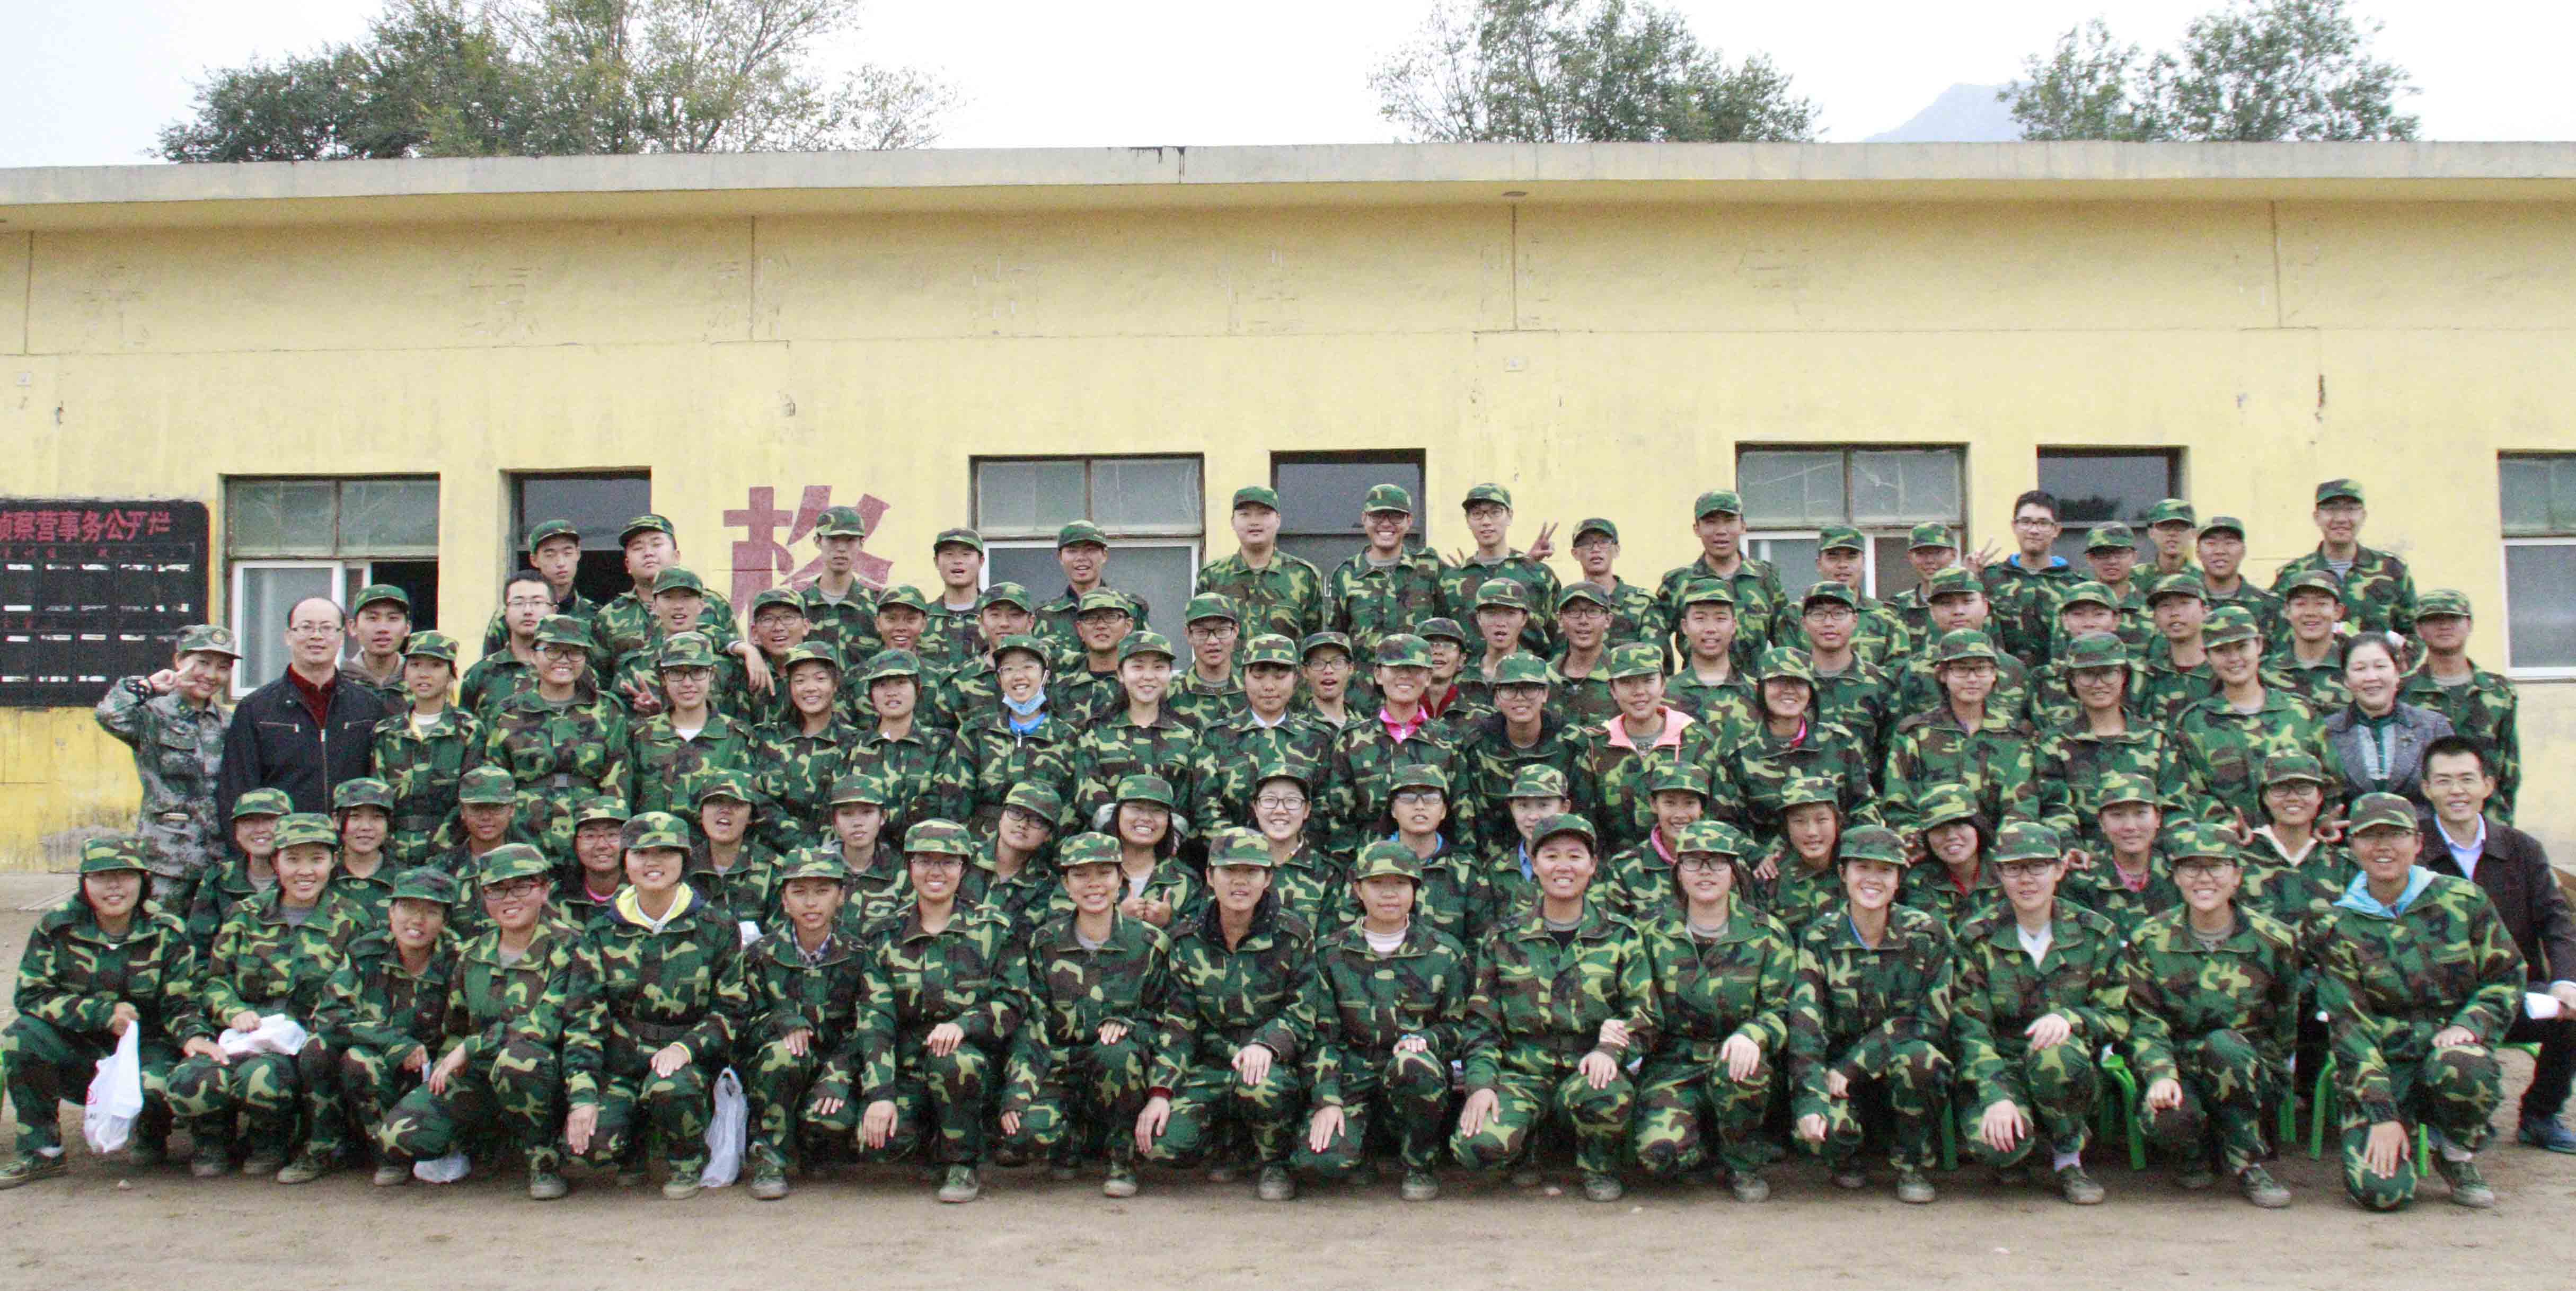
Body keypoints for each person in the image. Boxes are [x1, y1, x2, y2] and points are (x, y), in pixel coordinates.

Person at [2314, 792, 2523, 1211]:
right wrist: (2382, 1114)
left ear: (2418, 842)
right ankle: (2398, 1133)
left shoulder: (2463, 901)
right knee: (2382, 1194)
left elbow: (2507, 975)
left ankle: (2456, 1154)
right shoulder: (2337, 924)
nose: (2383, 847)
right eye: (2370, 836)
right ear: (2352, 846)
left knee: (2465, 1064)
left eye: (2395, 835)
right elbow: (2350, 1028)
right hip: (2385, 1066)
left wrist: (2470, 1025)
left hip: (2447, 1053)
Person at [1451, 813, 1654, 1202]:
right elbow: (1481, 1023)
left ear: (1593, 866)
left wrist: (1610, 1050)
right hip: (1521, 1071)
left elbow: (1643, 1014)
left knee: (1605, 1092)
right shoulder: (1504, 938)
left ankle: (1598, 1165)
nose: (1564, 866)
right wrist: (1481, 1085)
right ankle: (1526, 1147)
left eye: (1575, 856)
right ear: (1534, 862)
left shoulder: (1621, 935)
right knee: (1477, 1148)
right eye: (1551, 856)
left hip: (1587, 1068)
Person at [375, 843, 587, 1200]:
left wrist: (471, 1047)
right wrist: (445, 1072)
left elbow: (548, 1022)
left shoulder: (570, 947)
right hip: (480, 1075)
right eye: (496, 890)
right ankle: (478, 1141)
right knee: (399, 1136)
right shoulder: (474, 953)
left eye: (522, 887)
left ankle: (543, 1159)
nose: (510, 899)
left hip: (544, 1077)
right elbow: (455, 1029)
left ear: (544, 890)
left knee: (518, 1061)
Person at [167, 812, 370, 1183]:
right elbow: (214, 980)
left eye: (317, 859)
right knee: (190, 1079)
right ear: (275, 862)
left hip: (305, 1041)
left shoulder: (353, 920)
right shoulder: (245, 915)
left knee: (262, 1078)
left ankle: (270, 1141)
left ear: (333, 862)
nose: (305, 872)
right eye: (292, 860)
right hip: (242, 1033)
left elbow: (359, 990)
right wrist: (232, 1010)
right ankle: (212, 1141)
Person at [562, 811, 748, 1200]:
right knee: (591, 1147)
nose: (653, 863)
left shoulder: (716, 926)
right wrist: (582, 1098)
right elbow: (583, 1019)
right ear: (625, 860)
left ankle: (687, 1158)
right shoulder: (601, 931)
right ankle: (633, 1148)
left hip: (688, 1061)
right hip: (623, 1060)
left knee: (669, 1087)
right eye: (641, 853)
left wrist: (686, 1048)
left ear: (684, 860)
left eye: (665, 852)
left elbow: (732, 1010)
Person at [0, 838, 196, 1188]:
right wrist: (102, 1013)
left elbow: (181, 1004)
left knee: (158, 1085)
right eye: (102, 877)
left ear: (144, 881)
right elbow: (31, 995)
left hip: (147, 1049)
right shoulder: (57, 927)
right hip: (80, 1049)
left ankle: (152, 1132)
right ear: (84, 883)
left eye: (125, 876)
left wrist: (195, 1038)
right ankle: (41, 1152)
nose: (114, 886)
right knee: (21, 1038)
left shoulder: (168, 930)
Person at [1950, 821, 2127, 1206]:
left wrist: (2072, 1019)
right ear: (1999, 874)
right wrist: (1996, 1095)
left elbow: (2117, 1017)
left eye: (2038, 867)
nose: (2026, 879)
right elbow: (1970, 1029)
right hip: (2003, 1064)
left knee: (2056, 1055)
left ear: (2060, 869)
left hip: (2067, 1069)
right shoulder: (1977, 937)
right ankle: (2020, 1142)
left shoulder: (2095, 933)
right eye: (2014, 869)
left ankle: (2068, 1158)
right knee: (1999, 1148)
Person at [1137, 827, 1318, 1201]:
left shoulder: (1293, 936)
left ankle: (1275, 1161)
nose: (1240, 881)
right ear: (1209, 876)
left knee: (1261, 1085)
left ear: (1268, 879)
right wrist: (1161, 1091)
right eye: (1229, 871)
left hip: (1270, 1065)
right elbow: (1179, 1025)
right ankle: (1228, 1141)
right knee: (1161, 1145)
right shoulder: (1187, 940)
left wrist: (1267, 1044)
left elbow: (1303, 1010)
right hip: (1214, 1064)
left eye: (1251, 872)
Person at [2415, 736, 2576, 1153]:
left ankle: (2540, 1115)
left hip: (2511, 997)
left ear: (2487, 785)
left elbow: (2557, 920)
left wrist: (2565, 981)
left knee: (2571, 1010)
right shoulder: (2412, 850)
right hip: (2438, 1003)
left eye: (2467, 779)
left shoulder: (2523, 849)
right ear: (2427, 788)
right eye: (2444, 781)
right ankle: (2447, 1116)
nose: (2457, 791)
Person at [996, 832, 1171, 1198]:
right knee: (1025, 1132)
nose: (1093, 885)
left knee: (1117, 1053)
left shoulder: (1149, 944)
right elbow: (1032, 1025)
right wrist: (1019, 1091)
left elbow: (1166, 1019)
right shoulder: (1045, 944)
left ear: (1121, 879)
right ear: (1065, 884)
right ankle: (1071, 1138)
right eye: (1080, 875)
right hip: (1060, 1067)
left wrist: (1131, 1027)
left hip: (1120, 1073)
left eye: (1104, 873)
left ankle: (1121, 1157)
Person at [2125, 842, 2299, 1207]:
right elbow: (2145, 1020)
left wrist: (2273, 1078)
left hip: (2245, 1064)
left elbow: (2284, 1020)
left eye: (2216, 867)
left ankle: (2248, 1162)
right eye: (2191, 868)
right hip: (2179, 1063)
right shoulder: (2150, 939)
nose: (2204, 878)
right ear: (2176, 878)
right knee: (2168, 1120)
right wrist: (2160, 1074)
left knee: (2225, 1047)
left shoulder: (2274, 940)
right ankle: (2195, 1152)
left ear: (2237, 876)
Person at [1295, 841, 1471, 1200]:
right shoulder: (1330, 952)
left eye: (1400, 884)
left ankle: (1419, 1163)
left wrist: (1428, 1040)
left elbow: (1461, 1027)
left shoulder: (1445, 952)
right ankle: (1361, 1151)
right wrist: (1328, 1099)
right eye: (1377, 884)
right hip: (1352, 1071)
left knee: (1414, 1066)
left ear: (1415, 890)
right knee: (1319, 1164)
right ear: (1358, 890)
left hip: (1412, 1068)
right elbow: (1322, 1036)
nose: (1389, 894)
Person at [1787, 823, 1954, 1204]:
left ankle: (1913, 1164)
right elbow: (1806, 1025)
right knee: (1822, 1133)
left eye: (1885, 870)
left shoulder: (1927, 935)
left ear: (1898, 880)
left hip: (1894, 1064)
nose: (1873, 879)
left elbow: (1931, 1021)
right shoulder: (1818, 938)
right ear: (1843, 873)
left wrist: (1855, 1065)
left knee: (1921, 1061)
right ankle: (1847, 1154)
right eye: (1862, 868)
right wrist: (1811, 1098)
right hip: (1836, 1074)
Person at [1629, 818, 1794, 1201]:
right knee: (1660, 1158)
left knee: (1744, 1071)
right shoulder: (1651, 933)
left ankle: (1742, 1160)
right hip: (1674, 1062)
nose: (1705, 872)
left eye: (1717, 862)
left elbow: (1783, 1008)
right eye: (1694, 862)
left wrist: (1753, 1035)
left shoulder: (1767, 933)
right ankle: (1700, 1143)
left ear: (1735, 872)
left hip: (1735, 1056)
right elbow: (1637, 1004)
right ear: (1678, 871)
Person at [853, 820, 1017, 1204]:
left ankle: (963, 1161)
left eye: (948, 862)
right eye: (925, 861)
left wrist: (964, 1024)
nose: (936, 872)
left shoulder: (992, 929)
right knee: (879, 1146)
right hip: (909, 1066)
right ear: (909, 866)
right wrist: (880, 1093)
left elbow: (1013, 1002)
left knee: (955, 1061)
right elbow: (875, 1017)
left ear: (964, 868)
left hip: (973, 1066)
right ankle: (929, 1136)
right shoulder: (885, 935)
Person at [733, 852, 868, 1201]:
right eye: (799, 892)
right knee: (783, 1056)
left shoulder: (858, 954)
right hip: (777, 1069)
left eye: (822, 891)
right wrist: (780, 1021)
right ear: (784, 900)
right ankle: (770, 1157)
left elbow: (868, 1025)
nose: (811, 903)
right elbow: (740, 1019)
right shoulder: (760, 955)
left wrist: (838, 1074)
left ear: (841, 896)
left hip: (835, 1066)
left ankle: (813, 1147)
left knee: (833, 1123)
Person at [329, 867, 463, 1187]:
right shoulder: (367, 951)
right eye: (407, 908)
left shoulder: (460, 958)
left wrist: (443, 1065)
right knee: (354, 1059)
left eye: (431, 911)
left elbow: (467, 1025)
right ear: (391, 911)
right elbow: (330, 1014)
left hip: (437, 1069)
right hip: (385, 1066)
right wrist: (395, 1042)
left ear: (445, 920)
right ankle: (386, 1155)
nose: (417, 920)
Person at [94, 622, 239, 905]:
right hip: (166, 861)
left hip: (219, 861)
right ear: (179, 661)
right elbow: (109, 715)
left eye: (223, 667)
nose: (211, 675)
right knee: (162, 931)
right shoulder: (152, 715)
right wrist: (149, 686)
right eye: (202, 663)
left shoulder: (229, 723)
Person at [217, 596, 391, 821]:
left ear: (342, 637)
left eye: (327, 628)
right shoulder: (256, 709)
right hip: (283, 839)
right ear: (288, 636)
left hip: (349, 838)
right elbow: (236, 790)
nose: (317, 636)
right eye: (306, 627)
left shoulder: (367, 706)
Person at [482, 615, 633, 864]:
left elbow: (617, 778)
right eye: (552, 651)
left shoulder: (607, 710)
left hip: (590, 832)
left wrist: (607, 834)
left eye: (575, 652)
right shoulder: (508, 713)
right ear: (534, 655)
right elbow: (495, 780)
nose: (564, 660)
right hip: (523, 830)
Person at [2173, 607, 2333, 826]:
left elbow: (2331, 783)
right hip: (2229, 842)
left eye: (2242, 647)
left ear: (2259, 645)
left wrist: (2322, 820)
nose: (2234, 659)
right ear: (2207, 656)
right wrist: (2226, 824)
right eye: (2221, 650)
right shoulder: (2194, 724)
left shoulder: (2301, 714)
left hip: (2298, 838)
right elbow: (2193, 793)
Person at [589, 515, 766, 711]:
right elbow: (601, 680)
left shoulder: (714, 604)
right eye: (638, 548)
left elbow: (734, 660)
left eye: (657, 544)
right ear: (627, 565)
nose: (648, 553)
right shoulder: (610, 615)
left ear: (676, 556)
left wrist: (749, 650)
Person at [2031, 631, 2193, 845]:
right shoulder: (2054, 743)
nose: (2098, 684)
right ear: (2072, 680)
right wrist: (2072, 850)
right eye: (2087, 674)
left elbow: (2175, 809)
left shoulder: (2156, 740)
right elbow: (2055, 809)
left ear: (2124, 676)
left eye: (2109, 673)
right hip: (2083, 857)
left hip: (2149, 855)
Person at [1320, 634, 1474, 855]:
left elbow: (1462, 814)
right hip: (1370, 863)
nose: (1405, 676)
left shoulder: (1449, 741)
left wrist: (1458, 866)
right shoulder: (1352, 740)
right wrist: (1350, 867)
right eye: (1395, 668)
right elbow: (1339, 816)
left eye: (1414, 669)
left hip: (1434, 862)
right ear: (1378, 674)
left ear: (1429, 676)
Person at [1881, 629, 2036, 838]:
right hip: (1932, 847)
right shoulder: (1915, 735)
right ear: (1943, 675)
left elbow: (2021, 807)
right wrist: (1920, 844)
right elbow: (1900, 807)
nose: (1972, 679)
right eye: (1961, 669)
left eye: (1981, 669)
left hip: (2000, 850)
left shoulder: (2014, 737)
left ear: (1994, 674)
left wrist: (2003, 846)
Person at [1575, 642, 1717, 854]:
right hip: (1616, 867)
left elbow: (1717, 815)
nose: (1639, 692)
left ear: (1663, 684)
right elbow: (1585, 822)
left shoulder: (1695, 740)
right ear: (1612, 690)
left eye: (1648, 681)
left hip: (1688, 862)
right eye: (1627, 683)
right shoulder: (1596, 745)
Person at [1069, 632, 1211, 836]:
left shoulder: (1188, 738)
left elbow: (1193, 801)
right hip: (1109, 846)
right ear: (1120, 673)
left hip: (1169, 847)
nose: (1148, 676)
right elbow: (1088, 797)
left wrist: (1167, 837)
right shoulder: (1096, 734)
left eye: (1159, 667)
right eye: (1138, 667)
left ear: (1170, 673)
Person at [1733, 648, 1877, 845]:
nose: (1789, 690)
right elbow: (1729, 824)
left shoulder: (1839, 743)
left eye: (1799, 682)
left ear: (1811, 691)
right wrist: (1758, 857)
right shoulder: (1741, 755)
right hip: (1770, 861)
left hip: (1836, 856)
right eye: (1779, 682)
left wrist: (1851, 851)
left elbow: (1863, 807)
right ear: (1761, 689)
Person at [2400, 590, 2520, 823]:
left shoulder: (2498, 691)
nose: (2444, 626)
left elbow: (2509, 769)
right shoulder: (2402, 691)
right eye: (2434, 619)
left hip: (2486, 820)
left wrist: (2504, 824)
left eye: (2453, 618)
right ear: (2419, 629)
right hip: (2424, 821)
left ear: (2469, 624)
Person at [368, 629, 481, 872]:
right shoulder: (387, 732)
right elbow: (378, 798)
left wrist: (442, 847)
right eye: (416, 665)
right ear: (405, 672)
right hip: (392, 854)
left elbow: (470, 798)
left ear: (451, 673)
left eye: (436, 666)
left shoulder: (469, 730)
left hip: (451, 853)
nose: (424, 674)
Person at [1197, 633, 1334, 831]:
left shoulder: (1318, 739)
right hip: (1233, 849)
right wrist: (1242, 846)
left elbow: (1323, 808)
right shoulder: (1216, 737)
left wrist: (1291, 846)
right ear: (1243, 678)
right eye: (1258, 677)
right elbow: (1206, 808)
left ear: (1295, 678)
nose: (1269, 687)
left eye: (1280, 677)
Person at [1455, 653, 1584, 856]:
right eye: (1509, 689)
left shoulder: (1572, 744)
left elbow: (1583, 814)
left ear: (1545, 694)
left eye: (1530, 689)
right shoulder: (1478, 746)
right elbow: (1472, 820)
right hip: (1494, 860)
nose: (1520, 697)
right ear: (1497, 697)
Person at [626, 632, 758, 824]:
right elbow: (626, 803)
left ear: (712, 675)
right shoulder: (640, 736)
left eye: (697, 672)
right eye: (676, 673)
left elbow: (747, 808)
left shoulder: (737, 738)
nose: (688, 683)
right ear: (663, 678)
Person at [844, 649, 973, 841]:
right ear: (870, 695)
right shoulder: (854, 746)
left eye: (901, 683)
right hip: (867, 850)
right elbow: (842, 803)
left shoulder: (941, 744)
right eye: (882, 685)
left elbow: (941, 801)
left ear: (918, 689)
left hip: (925, 847)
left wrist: (877, 821)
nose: (891, 693)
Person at [957, 633, 1079, 835]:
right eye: (1008, 669)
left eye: (1028, 667)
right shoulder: (975, 733)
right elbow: (956, 803)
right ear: (999, 679)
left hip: (1042, 843)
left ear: (1045, 676)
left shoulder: (1067, 738)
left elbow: (1070, 809)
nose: (1018, 676)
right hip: (981, 844)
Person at [2323, 632, 2454, 817]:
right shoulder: (2327, 731)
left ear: (2397, 673)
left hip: (2423, 833)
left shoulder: (2432, 727)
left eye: (2380, 666)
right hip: (2351, 833)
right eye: (2360, 669)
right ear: (2346, 679)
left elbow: (2452, 789)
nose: (2371, 677)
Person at [752, 642, 863, 854]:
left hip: (830, 857)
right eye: (800, 681)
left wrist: (816, 853)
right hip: (766, 857)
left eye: (820, 679)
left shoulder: (855, 744)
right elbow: (755, 800)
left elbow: (849, 809)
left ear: (835, 685)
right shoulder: (766, 738)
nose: (810, 688)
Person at [2271, 479, 2419, 639]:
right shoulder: (2292, 575)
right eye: (2331, 509)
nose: (2341, 519)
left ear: (2363, 516)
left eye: (2351, 509)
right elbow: (2277, 636)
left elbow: (2414, 635)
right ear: (2317, 517)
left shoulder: (2392, 571)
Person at [1655, 489, 1784, 664]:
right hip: (1697, 681)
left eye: (1730, 521)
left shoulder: (1765, 579)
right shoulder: (1677, 583)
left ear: (1743, 526)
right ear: (1697, 529)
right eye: (1711, 523)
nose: (1721, 531)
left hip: (1753, 681)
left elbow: (1787, 642)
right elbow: (1657, 644)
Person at [1327, 484, 1447, 662]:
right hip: (1365, 678)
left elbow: (1450, 630)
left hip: (1418, 675)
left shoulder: (1430, 567)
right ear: (1364, 519)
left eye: (1396, 516)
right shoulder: (1346, 574)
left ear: (1409, 521)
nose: (1385, 523)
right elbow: (1336, 642)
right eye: (1377, 516)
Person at [1197, 485, 1328, 643]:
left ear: (1278, 520)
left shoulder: (1304, 576)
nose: (1254, 522)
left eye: (1264, 514)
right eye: (1245, 515)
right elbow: (1200, 638)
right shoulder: (1212, 576)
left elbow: (1314, 643)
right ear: (1233, 522)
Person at [2062, 775, 2189, 939]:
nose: (2130, 826)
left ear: (2158, 819)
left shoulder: (2181, 876)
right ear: (2102, 823)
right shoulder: (2081, 881)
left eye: (2140, 814)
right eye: (2117, 815)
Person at [1440, 484, 1559, 655]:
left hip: (1529, 669)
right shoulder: (1451, 580)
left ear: (1510, 516)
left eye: (1495, 512)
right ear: (1468, 520)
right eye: (1477, 514)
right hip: (1471, 671)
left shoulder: (1539, 575)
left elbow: (1559, 638)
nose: (1486, 522)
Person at [1598, 759, 1717, 923]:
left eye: (1689, 803)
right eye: (1670, 803)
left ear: (1701, 808)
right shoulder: (1625, 868)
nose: (1680, 814)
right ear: (1654, 805)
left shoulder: (1724, 863)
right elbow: (1613, 930)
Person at [1774, 526, 1911, 667]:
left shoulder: (1888, 616)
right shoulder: (1794, 616)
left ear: (1863, 562)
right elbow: (1789, 671)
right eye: (1833, 557)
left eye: (1851, 557)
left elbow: (1898, 672)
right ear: (1819, 564)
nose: (1843, 565)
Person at [1796, 581, 1900, 762]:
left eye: (1839, 614)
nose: (1829, 623)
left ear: (1855, 621)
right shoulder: (1790, 681)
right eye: (1818, 614)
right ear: (1804, 623)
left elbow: (1892, 756)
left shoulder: (1880, 685)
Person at [1979, 489, 2080, 668]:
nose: (2034, 530)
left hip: (2058, 680)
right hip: (2002, 679)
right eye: (2026, 522)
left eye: (2043, 523)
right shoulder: (1989, 579)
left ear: (2056, 530)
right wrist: (1968, 576)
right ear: (2014, 526)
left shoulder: (2076, 585)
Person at [185, 787, 290, 947]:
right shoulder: (220, 877)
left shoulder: (304, 877)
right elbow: (199, 944)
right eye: (249, 821)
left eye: (270, 820)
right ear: (237, 832)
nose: (260, 829)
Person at [1240, 763, 1340, 931]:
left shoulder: (1327, 874)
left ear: (1307, 810)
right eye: (1269, 800)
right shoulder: (1234, 864)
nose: (1280, 810)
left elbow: (1331, 940)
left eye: (1292, 801)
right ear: (1255, 808)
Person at [1096, 774, 1200, 932]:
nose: (1146, 818)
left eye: (1158, 811)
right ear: (1117, 814)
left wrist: (1168, 923)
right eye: (1136, 808)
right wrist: (1117, 918)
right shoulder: (1090, 872)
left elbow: (1198, 941)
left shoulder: (1185, 880)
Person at [962, 782, 1065, 941]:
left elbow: (1022, 938)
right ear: (1001, 816)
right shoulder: (963, 857)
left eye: (1037, 820)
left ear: (1048, 835)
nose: (1023, 824)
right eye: (1016, 813)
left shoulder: (1046, 885)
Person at [479, 519, 598, 656]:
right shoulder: (510, 616)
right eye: (550, 555)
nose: (561, 563)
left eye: (568, 553)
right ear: (534, 560)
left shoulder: (594, 615)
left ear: (578, 554)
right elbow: (490, 664)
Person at [1662, 579, 1759, 744]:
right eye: (1700, 619)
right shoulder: (1663, 695)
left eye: (1720, 619)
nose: (1711, 629)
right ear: (1685, 627)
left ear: (1734, 625)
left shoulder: (1758, 694)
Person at [688, 772, 784, 936]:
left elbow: (781, 938)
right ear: (701, 813)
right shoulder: (681, 867)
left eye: (737, 804)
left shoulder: (774, 871)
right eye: (715, 802)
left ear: (751, 816)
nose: (725, 810)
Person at [1037, 520, 1152, 656]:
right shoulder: (1044, 615)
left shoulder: (1131, 609)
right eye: (1072, 551)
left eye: (1090, 550)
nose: (1081, 558)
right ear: (1060, 557)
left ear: (1104, 555)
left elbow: (1147, 659)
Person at [1899, 782, 2000, 931]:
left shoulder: (2006, 869)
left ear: (1978, 827)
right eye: (1939, 828)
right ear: (1927, 839)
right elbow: (1932, 936)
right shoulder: (1919, 881)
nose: (1951, 836)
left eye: (1959, 824)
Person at [1755, 776, 1848, 935]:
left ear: (1837, 822)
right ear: (1787, 827)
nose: (1812, 832)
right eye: (1799, 821)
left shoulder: (1857, 870)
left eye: (1822, 820)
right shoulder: (1772, 877)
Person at [463, 573, 556, 720]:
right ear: (505, 612)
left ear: (554, 611)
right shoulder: (480, 674)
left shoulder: (571, 670)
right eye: (518, 603)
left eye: (537, 602)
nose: (528, 611)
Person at [799, 505, 882, 667]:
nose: (841, 549)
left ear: (861, 544)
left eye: (850, 540)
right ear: (818, 541)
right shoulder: (798, 607)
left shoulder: (878, 606)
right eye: (832, 539)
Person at [1565, 517, 1663, 652]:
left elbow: (1657, 657)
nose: (1596, 549)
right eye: (1586, 543)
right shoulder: (1566, 604)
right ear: (1575, 553)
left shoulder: (1643, 603)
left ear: (1617, 550)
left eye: (1604, 542)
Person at [2136, 574, 2217, 723]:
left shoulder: (2222, 672)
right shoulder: (2146, 676)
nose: (2175, 613)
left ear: (2206, 612)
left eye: (2184, 603)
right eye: (2165, 606)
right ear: (2155, 617)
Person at [2193, 515, 2283, 646]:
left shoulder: (2272, 606)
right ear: (2198, 552)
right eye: (2211, 543)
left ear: (2243, 551)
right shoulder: (2186, 605)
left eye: (2230, 543)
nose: (2220, 551)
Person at [1052, 590, 1139, 724]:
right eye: (1091, 618)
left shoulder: (1142, 685)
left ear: (1128, 626)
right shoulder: (1058, 688)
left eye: (1111, 617)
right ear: (1080, 629)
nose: (1101, 625)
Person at [2269, 570, 2350, 709]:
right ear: (2287, 611)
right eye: (2301, 604)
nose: (2310, 612)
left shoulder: (2355, 668)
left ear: (2338, 611)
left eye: (2321, 604)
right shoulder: (2265, 672)